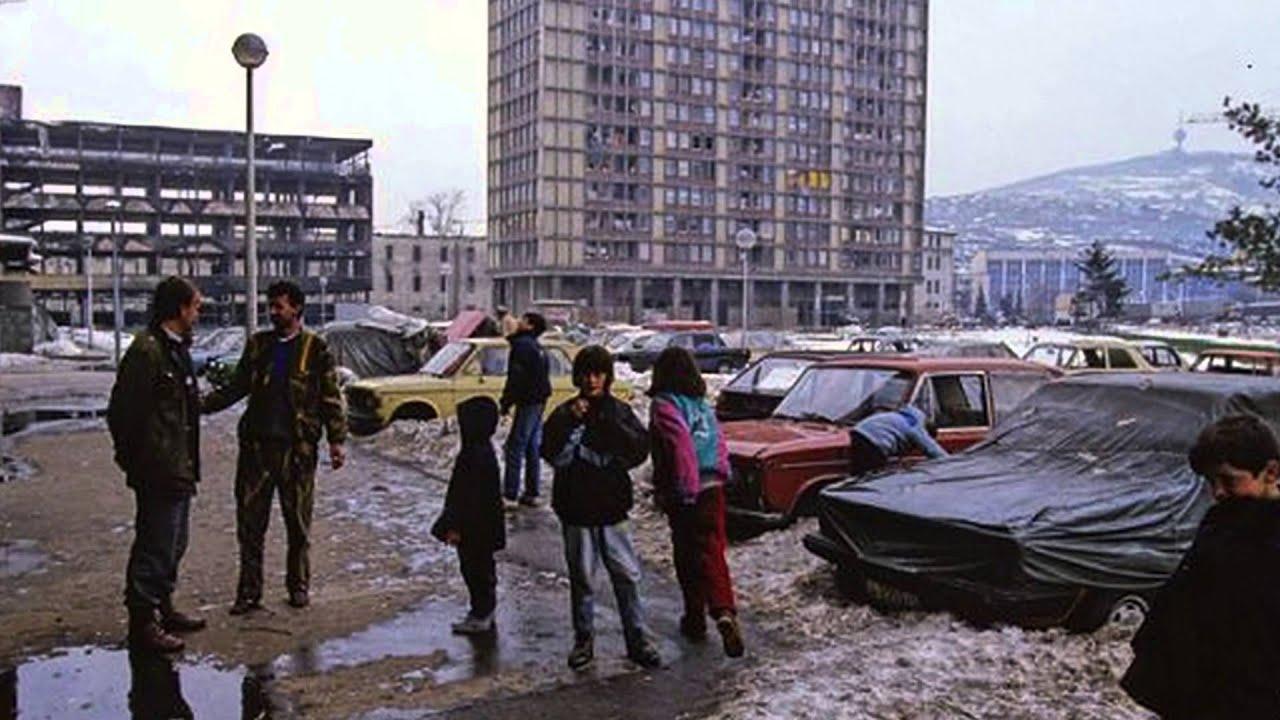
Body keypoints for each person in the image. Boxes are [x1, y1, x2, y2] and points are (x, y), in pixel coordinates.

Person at [1121, 414, 1280, 718]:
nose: (1218, 492)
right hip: (1200, 689)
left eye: (1229, 480)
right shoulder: (1221, 521)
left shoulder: (1267, 537)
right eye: (1211, 482)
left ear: (1270, 472)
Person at [203, 281, 348, 614]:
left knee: (298, 524)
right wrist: (200, 405)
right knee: (250, 525)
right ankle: (249, 593)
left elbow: (330, 397)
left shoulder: (316, 348)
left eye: (279, 306)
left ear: (296, 308)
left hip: (297, 451)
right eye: (270, 305)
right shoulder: (258, 345)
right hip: (257, 450)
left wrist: (337, 441)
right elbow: (237, 387)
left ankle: (298, 587)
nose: (273, 311)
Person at [540, 345, 660, 671]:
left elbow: (638, 448)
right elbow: (548, 449)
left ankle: (637, 640)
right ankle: (584, 640)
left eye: (599, 373)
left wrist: (608, 426)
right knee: (582, 580)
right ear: (578, 376)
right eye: (588, 374)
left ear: (607, 376)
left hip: (611, 510)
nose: (593, 380)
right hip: (576, 510)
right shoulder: (565, 411)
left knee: (627, 577)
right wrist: (568, 420)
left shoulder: (618, 411)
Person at [108, 276, 207, 653]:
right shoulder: (147, 352)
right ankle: (142, 621)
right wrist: (135, 461)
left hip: (178, 468)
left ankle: (163, 607)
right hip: (158, 470)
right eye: (196, 306)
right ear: (180, 309)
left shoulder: (175, 350)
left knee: (174, 543)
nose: (199, 314)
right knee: (155, 544)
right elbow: (122, 413)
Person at [649, 347, 746, 658]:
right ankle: (724, 610)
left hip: (686, 490)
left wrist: (685, 489)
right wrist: (723, 472)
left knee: (687, 555)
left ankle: (694, 619)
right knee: (713, 550)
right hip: (714, 486)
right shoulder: (702, 405)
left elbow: (680, 447)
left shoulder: (664, 405)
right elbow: (717, 441)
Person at [431, 396, 505, 635]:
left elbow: (466, 497)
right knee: (481, 570)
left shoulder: (475, 456)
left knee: (476, 571)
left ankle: (481, 613)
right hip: (480, 528)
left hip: (474, 529)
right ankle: (484, 611)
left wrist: (455, 526)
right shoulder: (480, 452)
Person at [499, 311, 552, 508]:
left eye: (522, 320)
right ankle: (532, 492)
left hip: (528, 400)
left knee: (516, 445)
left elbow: (516, 378)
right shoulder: (536, 346)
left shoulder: (521, 346)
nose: (517, 322)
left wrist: (505, 402)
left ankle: (510, 494)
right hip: (539, 399)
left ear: (529, 326)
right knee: (531, 446)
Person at [848, 402, 948, 476]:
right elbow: (931, 449)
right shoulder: (915, 426)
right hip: (874, 440)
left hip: (858, 432)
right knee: (873, 476)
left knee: (858, 472)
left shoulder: (904, 417)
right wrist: (950, 462)